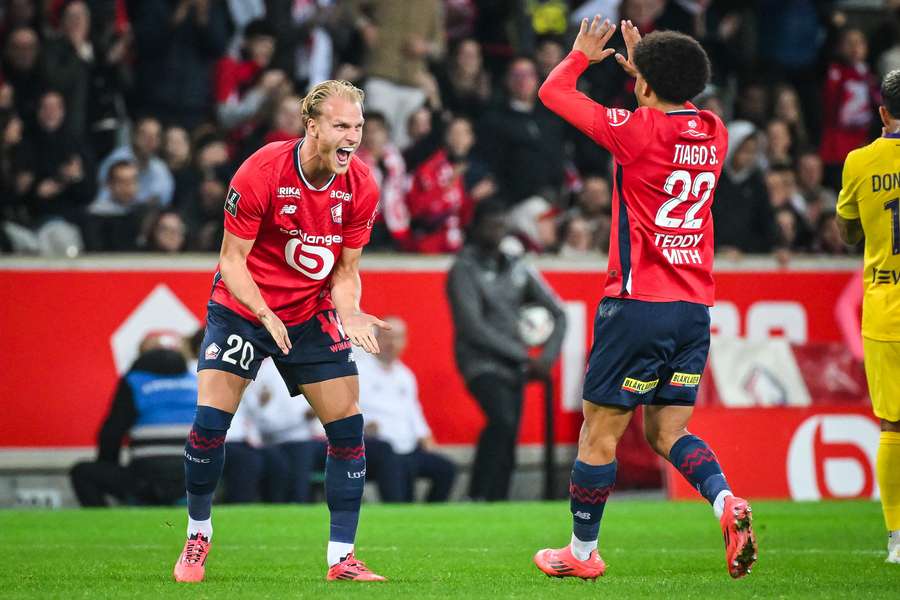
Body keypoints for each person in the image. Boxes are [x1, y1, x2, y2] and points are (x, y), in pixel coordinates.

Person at [534, 17, 757, 580]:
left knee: (599, 431)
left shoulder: (636, 132)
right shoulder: (715, 129)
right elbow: (675, 98)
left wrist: (583, 55)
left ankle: (581, 555)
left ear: (645, 86)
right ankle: (724, 501)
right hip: (694, 310)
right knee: (668, 431)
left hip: (637, 306)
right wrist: (650, 71)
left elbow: (553, 93)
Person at [172, 80, 388, 583]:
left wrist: (351, 311)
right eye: (341, 126)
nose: (352, 137)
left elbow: (345, 271)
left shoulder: (362, 185)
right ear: (311, 125)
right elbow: (231, 260)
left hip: (310, 313)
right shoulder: (262, 169)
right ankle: (197, 535)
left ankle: (342, 559)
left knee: (347, 428)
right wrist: (264, 313)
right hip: (244, 310)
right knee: (209, 425)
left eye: (357, 126)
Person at [446, 200, 566, 502]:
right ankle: (478, 495)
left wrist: (547, 357)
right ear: (475, 228)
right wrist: (526, 356)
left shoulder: (519, 266)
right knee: (501, 420)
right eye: (491, 224)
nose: (497, 230)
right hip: (479, 362)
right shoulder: (463, 269)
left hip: (515, 365)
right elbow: (472, 327)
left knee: (509, 435)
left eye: (501, 224)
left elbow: (559, 312)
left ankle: (497, 502)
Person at [835, 69, 900, 565]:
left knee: (892, 426)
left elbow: (848, 234)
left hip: (886, 306)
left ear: (882, 112)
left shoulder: (859, 162)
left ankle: (898, 538)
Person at [69, 332, 196, 507]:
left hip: (145, 481)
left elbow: (112, 433)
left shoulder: (134, 382)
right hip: (192, 480)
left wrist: (108, 466)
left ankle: (106, 525)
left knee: (82, 473)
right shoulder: (195, 382)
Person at [356, 317, 457, 503]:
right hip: (375, 446)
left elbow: (414, 412)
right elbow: (347, 410)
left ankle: (430, 514)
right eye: (388, 338)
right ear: (375, 338)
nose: (392, 344)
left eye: (398, 338)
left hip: (408, 447)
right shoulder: (359, 372)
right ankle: (398, 509)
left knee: (446, 468)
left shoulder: (405, 375)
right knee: (391, 458)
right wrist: (364, 427)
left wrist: (425, 436)